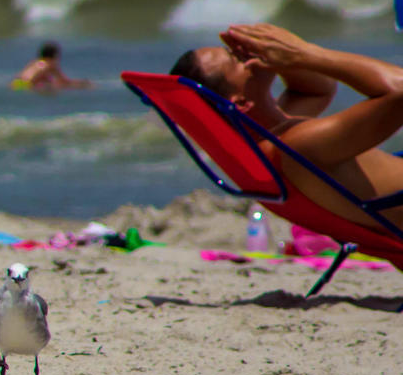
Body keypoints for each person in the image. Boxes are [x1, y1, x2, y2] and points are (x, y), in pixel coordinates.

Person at [171, 23, 403, 228]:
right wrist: (307, 53)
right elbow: (399, 91)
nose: (243, 54)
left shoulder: (267, 143)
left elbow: (316, 90)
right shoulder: (298, 146)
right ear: (240, 102)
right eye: (237, 59)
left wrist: (283, 56)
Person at [14, 41, 91, 91]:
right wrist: (81, 84)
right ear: (54, 55)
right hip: (27, 85)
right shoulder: (50, 64)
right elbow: (64, 81)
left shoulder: (34, 63)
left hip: (16, 83)